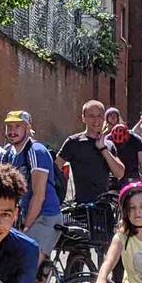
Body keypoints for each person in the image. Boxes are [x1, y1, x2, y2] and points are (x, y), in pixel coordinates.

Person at [1, 110, 62, 283]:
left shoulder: (36, 151)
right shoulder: (9, 155)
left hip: (45, 219)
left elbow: (39, 194)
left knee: (24, 274)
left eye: (18, 126)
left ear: (28, 128)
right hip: (25, 221)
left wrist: (25, 228)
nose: (12, 131)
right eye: (9, 127)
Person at [56, 100, 125, 237]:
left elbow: (119, 173)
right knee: (80, 251)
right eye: (91, 116)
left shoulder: (109, 145)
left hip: (103, 208)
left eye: (99, 116)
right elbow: (55, 168)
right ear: (83, 118)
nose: (96, 120)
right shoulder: (73, 142)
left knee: (111, 252)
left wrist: (103, 148)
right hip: (80, 208)